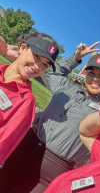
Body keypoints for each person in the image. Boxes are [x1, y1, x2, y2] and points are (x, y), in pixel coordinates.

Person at [0, 40, 100, 193]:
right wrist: (76, 57)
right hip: (20, 148)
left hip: (48, 174)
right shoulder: (67, 89)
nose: (95, 78)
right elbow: (56, 71)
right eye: (91, 73)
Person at [0, 32, 59, 168]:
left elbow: (4, 144)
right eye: (37, 57)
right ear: (22, 48)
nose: (38, 67)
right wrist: (5, 47)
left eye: (45, 65)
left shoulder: (25, 101)